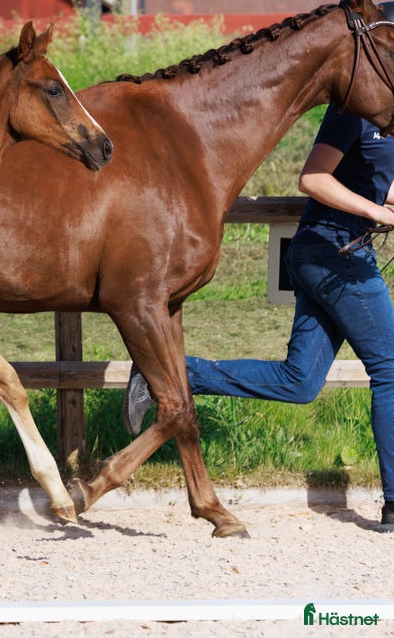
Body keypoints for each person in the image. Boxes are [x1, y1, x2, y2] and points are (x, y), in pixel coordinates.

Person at [124, 102, 394, 533]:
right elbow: (313, 178)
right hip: (333, 251)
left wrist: (384, 202)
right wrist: (374, 212)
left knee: (300, 383)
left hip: (336, 253)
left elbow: (376, 181)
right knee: (390, 368)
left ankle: (172, 375)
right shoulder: (355, 111)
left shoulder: (388, 117)